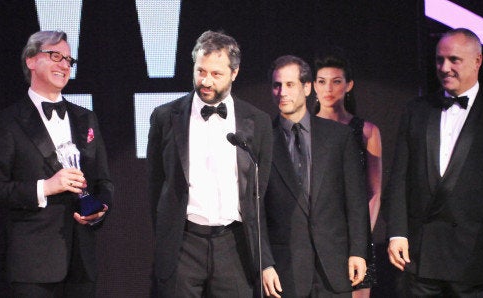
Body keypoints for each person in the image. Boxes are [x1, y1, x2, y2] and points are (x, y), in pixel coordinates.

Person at [383, 28, 483, 297]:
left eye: (454, 60)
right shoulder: (416, 110)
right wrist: (397, 232)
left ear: (478, 61)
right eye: (439, 60)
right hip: (418, 258)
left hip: (477, 259)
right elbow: (399, 179)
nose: (444, 68)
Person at [0, 30, 114, 297]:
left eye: (68, 60)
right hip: (34, 268)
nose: (64, 65)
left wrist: (102, 207)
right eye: (55, 56)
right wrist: (46, 187)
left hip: (82, 263)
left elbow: (103, 181)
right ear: (31, 60)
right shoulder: (8, 122)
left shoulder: (86, 118)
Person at [146, 30, 273, 297]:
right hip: (183, 244)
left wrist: (265, 259)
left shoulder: (257, 122)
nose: (206, 81)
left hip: (234, 246)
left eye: (216, 74)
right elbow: (156, 185)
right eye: (201, 71)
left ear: (234, 74)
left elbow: (259, 196)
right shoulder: (165, 117)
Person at [261, 55, 369, 298]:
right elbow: (255, 210)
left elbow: (356, 200)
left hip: (335, 266)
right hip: (284, 270)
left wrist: (359, 251)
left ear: (307, 87)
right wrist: (265, 263)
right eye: (277, 85)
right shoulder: (262, 140)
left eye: (290, 85)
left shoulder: (339, 137)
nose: (282, 92)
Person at [313, 50, 381, 298]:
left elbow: (374, 191)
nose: (328, 88)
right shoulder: (304, 129)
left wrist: (359, 240)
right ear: (313, 86)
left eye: (336, 81)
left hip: (356, 238)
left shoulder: (366, 130)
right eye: (321, 81)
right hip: (316, 240)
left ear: (348, 85)